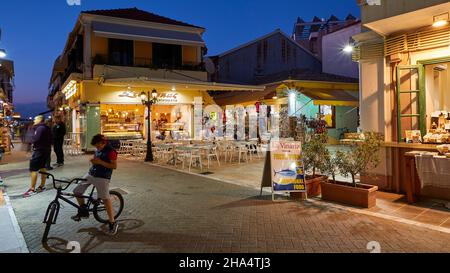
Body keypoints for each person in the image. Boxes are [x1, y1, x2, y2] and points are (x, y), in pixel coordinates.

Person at [71, 134, 119, 235]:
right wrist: (94, 161)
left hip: (103, 177)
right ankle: (84, 211)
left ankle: (112, 222)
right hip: (91, 174)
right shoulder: (98, 149)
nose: (96, 148)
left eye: (98, 146)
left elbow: (114, 166)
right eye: (95, 146)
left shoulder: (111, 151)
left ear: (103, 143)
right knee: (77, 191)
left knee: (105, 199)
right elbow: (96, 159)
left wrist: (100, 162)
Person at [23, 116, 52, 197]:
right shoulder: (47, 128)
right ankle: (42, 186)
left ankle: (32, 189)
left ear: (39, 120)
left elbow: (36, 139)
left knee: (33, 169)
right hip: (46, 150)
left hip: (39, 151)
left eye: (35, 119)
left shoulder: (39, 128)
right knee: (42, 167)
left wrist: (30, 138)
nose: (34, 120)